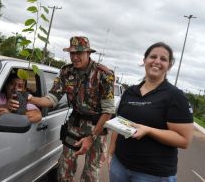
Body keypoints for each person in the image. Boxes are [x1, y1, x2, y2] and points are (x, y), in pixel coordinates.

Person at [11, 36, 115, 181]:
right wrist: (30, 98)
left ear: (88, 53)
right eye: (72, 53)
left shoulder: (104, 74)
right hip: (75, 124)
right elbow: (52, 99)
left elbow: (108, 111)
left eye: (79, 53)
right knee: (65, 169)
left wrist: (91, 138)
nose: (75, 57)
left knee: (91, 173)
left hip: (97, 128)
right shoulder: (66, 72)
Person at [108, 42, 194, 182]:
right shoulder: (130, 92)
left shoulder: (175, 96)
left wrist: (148, 130)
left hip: (153, 174)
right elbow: (118, 123)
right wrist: (111, 153)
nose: (157, 61)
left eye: (163, 59)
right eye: (153, 56)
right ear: (145, 60)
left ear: (169, 65)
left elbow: (184, 140)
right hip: (120, 166)